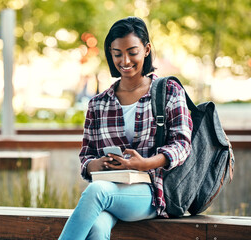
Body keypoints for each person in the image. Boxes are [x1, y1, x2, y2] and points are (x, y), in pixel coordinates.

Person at [58, 16, 193, 240]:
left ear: (147, 49)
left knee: (96, 191)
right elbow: (86, 157)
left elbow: (182, 144)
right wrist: (97, 164)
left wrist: (145, 163)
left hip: (151, 193)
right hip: (111, 192)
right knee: (98, 228)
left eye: (132, 52)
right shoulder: (98, 103)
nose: (125, 60)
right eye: (117, 53)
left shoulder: (169, 90)